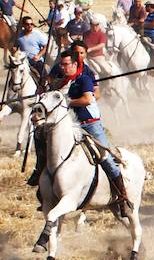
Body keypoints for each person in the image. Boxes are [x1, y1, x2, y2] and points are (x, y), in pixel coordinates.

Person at [49, 50, 133, 217]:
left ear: (74, 64)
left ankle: (122, 195)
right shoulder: (62, 83)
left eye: (66, 64)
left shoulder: (84, 80)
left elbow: (87, 99)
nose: (63, 67)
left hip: (90, 125)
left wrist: (67, 101)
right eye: (61, 64)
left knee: (105, 157)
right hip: (72, 126)